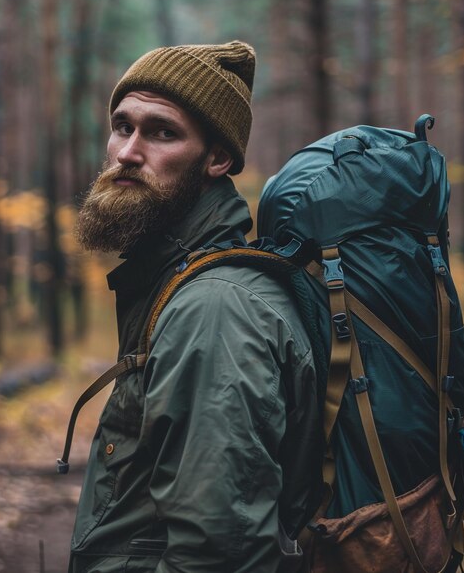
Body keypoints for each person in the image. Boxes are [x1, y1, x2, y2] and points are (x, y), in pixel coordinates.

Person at [70, 41, 322, 573]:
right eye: (122, 125)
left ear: (218, 158)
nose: (127, 153)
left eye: (163, 132)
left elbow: (219, 553)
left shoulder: (214, 310)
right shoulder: (175, 281)